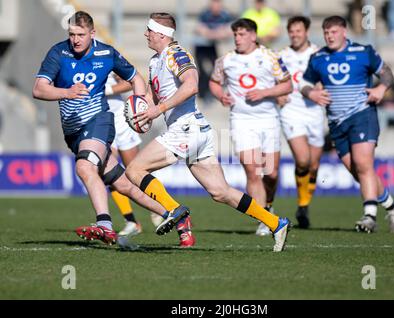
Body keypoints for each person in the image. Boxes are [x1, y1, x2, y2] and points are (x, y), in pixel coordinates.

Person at [125, 13, 291, 252]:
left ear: (161, 34)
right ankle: (276, 223)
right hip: (196, 131)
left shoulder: (176, 54)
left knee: (134, 169)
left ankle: (173, 211)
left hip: (185, 129)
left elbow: (191, 85)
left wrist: (158, 109)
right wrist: (144, 110)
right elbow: (154, 94)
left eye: (149, 30)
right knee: (221, 192)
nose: (145, 34)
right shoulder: (155, 61)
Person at [33, 11, 169, 246]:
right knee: (123, 184)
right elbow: (39, 89)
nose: (75, 40)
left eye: (80, 35)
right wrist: (66, 92)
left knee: (85, 167)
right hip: (73, 131)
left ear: (92, 33)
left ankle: (105, 224)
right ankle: (172, 214)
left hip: (99, 120)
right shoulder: (58, 52)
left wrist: (139, 104)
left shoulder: (106, 53)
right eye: (72, 34)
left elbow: (136, 78)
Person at [300, 15, 394, 233]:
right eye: (326, 32)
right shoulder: (318, 58)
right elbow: (304, 84)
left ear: (344, 32)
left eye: (334, 32)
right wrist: (312, 93)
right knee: (358, 171)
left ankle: (369, 217)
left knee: (363, 164)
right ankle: (391, 205)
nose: (330, 36)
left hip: (362, 115)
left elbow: (386, 73)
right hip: (337, 123)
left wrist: (381, 89)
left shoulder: (363, 52)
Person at [209, 18, 293, 236]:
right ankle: (264, 218)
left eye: (243, 34)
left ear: (254, 36)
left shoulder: (270, 57)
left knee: (271, 173)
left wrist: (264, 93)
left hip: (268, 120)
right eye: (236, 34)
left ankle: (269, 204)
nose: (238, 38)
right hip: (241, 121)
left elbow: (288, 84)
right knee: (254, 172)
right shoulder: (226, 60)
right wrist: (221, 96)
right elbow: (214, 82)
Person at [105, 73, 195, 247]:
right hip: (101, 124)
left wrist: (105, 90)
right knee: (110, 175)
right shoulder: (72, 58)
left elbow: (130, 81)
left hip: (121, 123)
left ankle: (172, 214)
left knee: (136, 174)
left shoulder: (106, 54)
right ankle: (131, 221)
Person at [277, 16, 325, 228]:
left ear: (306, 32)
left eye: (299, 31)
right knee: (303, 160)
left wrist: (323, 88)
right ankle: (303, 205)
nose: (295, 35)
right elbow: (271, 79)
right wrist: (277, 95)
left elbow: (326, 77)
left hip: (315, 112)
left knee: (313, 166)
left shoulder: (318, 54)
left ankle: (303, 205)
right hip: (291, 111)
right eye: (292, 31)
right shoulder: (281, 56)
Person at [194, 0, 234, 103]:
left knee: (215, 70)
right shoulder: (205, 14)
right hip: (201, 47)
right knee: (202, 70)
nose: (215, 7)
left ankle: (212, 93)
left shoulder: (225, 15)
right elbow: (199, 28)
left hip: (214, 47)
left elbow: (229, 30)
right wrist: (214, 33)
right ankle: (203, 94)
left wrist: (213, 34)